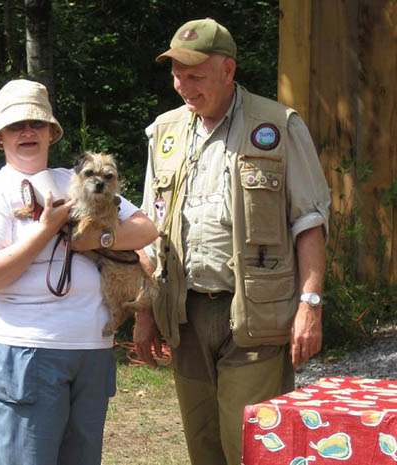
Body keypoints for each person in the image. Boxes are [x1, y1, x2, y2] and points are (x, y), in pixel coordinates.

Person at [133, 18, 331, 465]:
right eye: (177, 75)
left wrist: (310, 305)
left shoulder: (278, 126)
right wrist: (145, 312)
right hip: (184, 315)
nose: (184, 87)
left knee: (251, 448)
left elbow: (309, 223)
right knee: (203, 448)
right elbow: (149, 230)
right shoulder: (164, 132)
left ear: (228, 70)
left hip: (255, 315)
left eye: (195, 75)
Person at [0, 79, 158, 465]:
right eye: (16, 126)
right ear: (0, 137)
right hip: (26, 350)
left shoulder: (80, 179)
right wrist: (46, 231)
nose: (27, 132)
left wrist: (93, 240)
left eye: (36, 123)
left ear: (52, 132)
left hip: (91, 351)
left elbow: (146, 229)